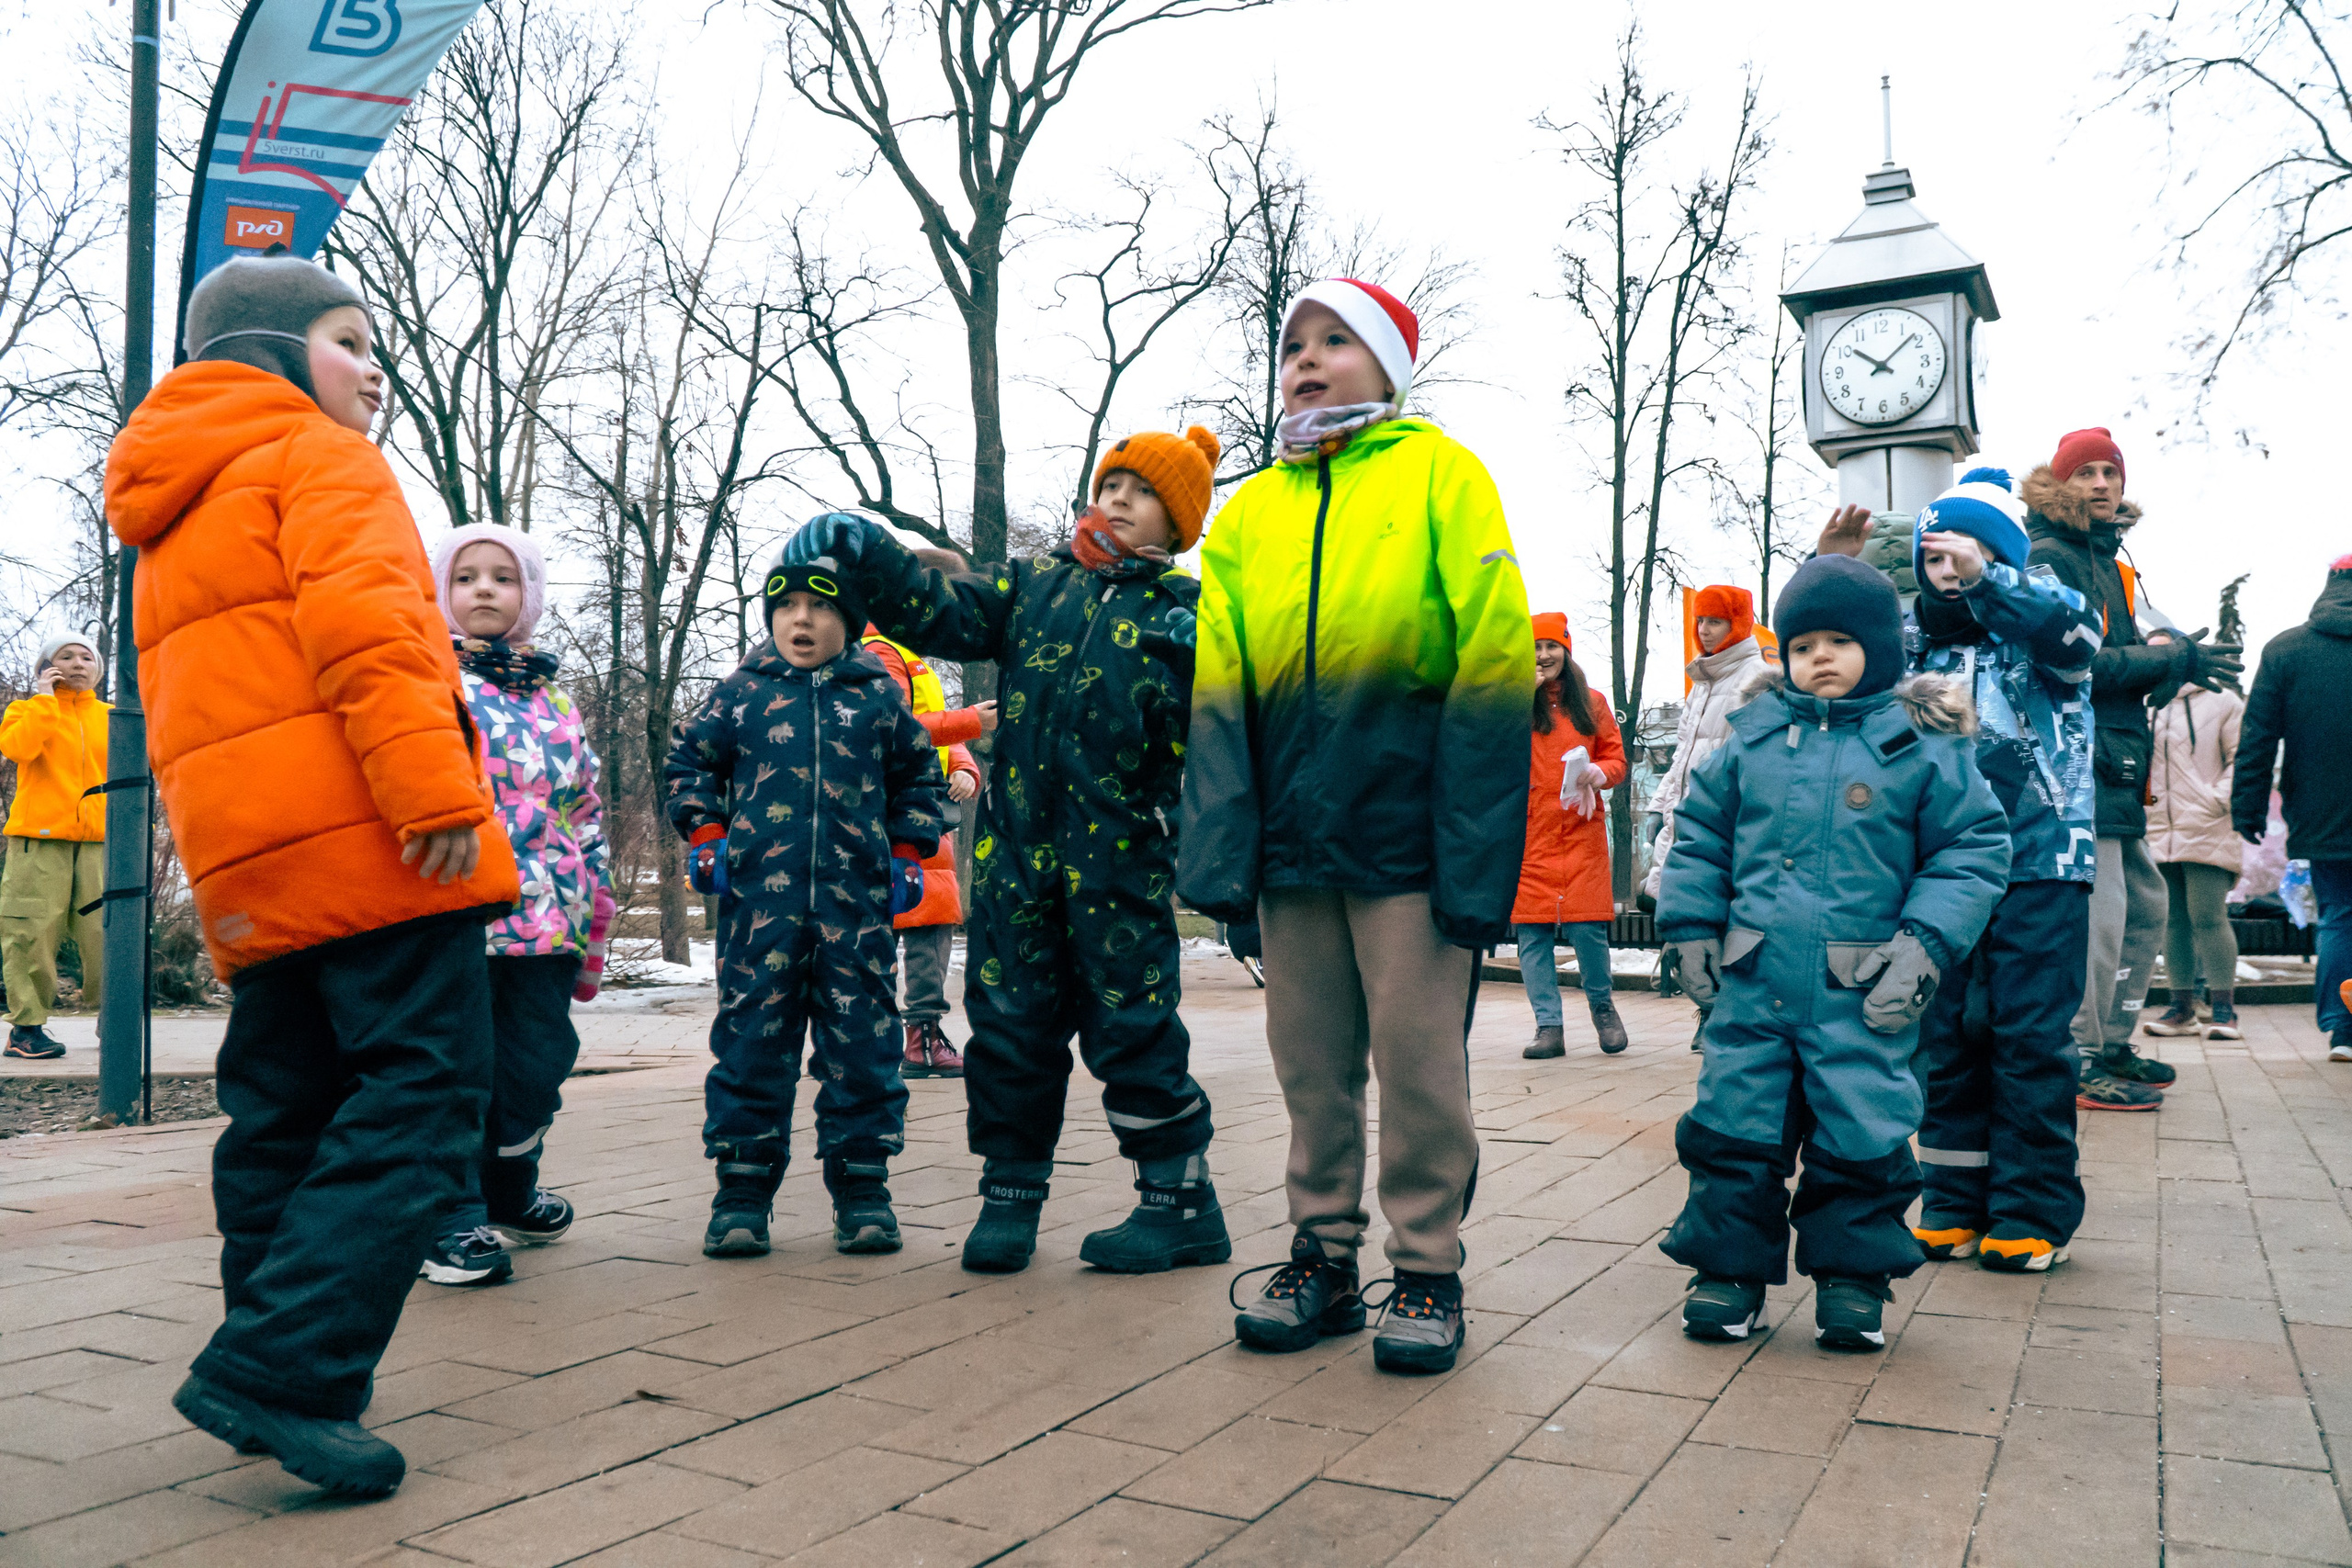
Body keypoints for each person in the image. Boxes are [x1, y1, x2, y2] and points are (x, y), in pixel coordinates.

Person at [107, 254, 521, 1499]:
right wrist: (436, 792)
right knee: (429, 1086)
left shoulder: (169, 506)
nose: (376, 370)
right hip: (375, 843)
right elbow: (372, 633)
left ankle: (273, 1359)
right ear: (279, 355)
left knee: (283, 1104)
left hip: (253, 865)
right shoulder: (319, 456)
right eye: (351, 340)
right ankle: (287, 1367)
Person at [1181, 277, 1533, 1376]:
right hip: (1291, 848)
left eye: (1337, 340)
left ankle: (1425, 1269)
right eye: (1294, 343)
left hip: (1408, 843)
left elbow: (1491, 666)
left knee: (1420, 1064)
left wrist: (1477, 851)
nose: (1309, 357)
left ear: (1388, 364)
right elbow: (1218, 693)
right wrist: (1222, 850)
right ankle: (1321, 1260)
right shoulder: (1247, 516)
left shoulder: (1442, 479)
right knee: (1309, 1066)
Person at [777, 425, 1227, 1279]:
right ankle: (1010, 1191)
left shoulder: (1185, 615)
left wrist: (1214, 852)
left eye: (1144, 490)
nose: (1119, 498)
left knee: (1134, 1027)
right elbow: (941, 612)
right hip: (1021, 863)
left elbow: (1215, 746)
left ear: (1180, 518)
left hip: (1123, 867)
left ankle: (1180, 1198)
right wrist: (870, 551)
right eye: (1112, 483)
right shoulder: (1036, 587)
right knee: (1010, 1027)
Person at [1658, 552, 2008, 1350]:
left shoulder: (1921, 745)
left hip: (1864, 988)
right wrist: (1689, 926)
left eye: (1840, 642)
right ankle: (1727, 1272)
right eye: (1804, 641)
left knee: (1864, 1130)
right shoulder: (1750, 740)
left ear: (1881, 650)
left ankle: (1853, 1280)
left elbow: (1971, 849)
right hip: (1750, 984)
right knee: (1734, 1127)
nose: (1820, 656)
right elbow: (1702, 836)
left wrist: (1923, 944)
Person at [666, 556, 946, 1258]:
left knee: (863, 1047)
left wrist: (911, 849)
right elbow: (688, 763)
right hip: (762, 913)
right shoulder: (741, 694)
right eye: (785, 606)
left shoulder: (878, 697)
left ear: (847, 621)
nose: (801, 619)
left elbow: (918, 773)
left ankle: (862, 1187)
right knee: (752, 1042)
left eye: (819, 608)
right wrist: (705, 831)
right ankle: (741, 1190)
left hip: (858, 912)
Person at [1889, 471, 2103, 1274]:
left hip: (2045, 861)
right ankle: (1951, 1201)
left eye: (1966, 557)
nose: (1951, 574)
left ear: (2003, 556)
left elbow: (2077, 641)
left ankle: (2030, 1210)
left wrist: (1991, 582)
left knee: (2026, 1036)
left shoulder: (2049, 622)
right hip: (1946, 872)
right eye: (1936, 560)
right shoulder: (1914, 646)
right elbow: (1839, 659)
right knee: (1950, 1035)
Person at [415, 524, 614, 1288]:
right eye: (467, 578)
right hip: (459, 910)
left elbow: (586, 803)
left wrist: (594, 896)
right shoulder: (432, 677)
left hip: (551, 915)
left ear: (528, 595)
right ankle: (449, 1215)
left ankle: (508, 1187)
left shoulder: (554, 694)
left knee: (537, 1063)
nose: (485, 590)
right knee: (458, 1067)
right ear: (443, 593)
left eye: (503, 577)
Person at [2020, 429, 2240, 1105]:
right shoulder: (2051, 558)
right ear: (2059, 486)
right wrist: (2172, 662)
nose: (2099, 483)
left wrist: (2169, 654)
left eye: (2109, 472)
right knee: (2103, 915)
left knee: (2143, 906)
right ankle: (2081, 1055)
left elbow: (2128, 651)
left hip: (2115, 763)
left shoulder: (2109, 561)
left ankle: (2112, 1040)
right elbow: (2075, 663)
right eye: (2083, 472)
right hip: (2076, 763)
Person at [862, 585, 994, 1080]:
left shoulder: (910, 657)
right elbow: (894, 727)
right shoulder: (879, 654)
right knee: (887, 929)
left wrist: (965, 767)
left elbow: (932, 734)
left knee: (931, 928)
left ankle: (920, 1039)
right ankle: (886, 1040)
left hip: (927, 813)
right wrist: (969, 722)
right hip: (890, 813)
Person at [2232, 553, 2352, 1062]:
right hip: (2325, 812)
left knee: (2340, 916)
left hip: (2324, 814)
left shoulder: (2287, 650)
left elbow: (2258, 738)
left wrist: (2248, 807)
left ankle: (2344, 1031)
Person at [1643, 584, 1770, 1051]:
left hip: (1726, 818)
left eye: (1715, 621)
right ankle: (1709, 1009)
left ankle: (1722, 1014)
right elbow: (1683, 756)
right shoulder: (1703, 682)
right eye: (1700, 620)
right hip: (1691, 813)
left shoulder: (1754, 677)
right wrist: (1659, 806)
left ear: (1737, 623)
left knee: (1727, 917)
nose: (1704, 630)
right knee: (1697, 913)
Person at [1514, 615, 1629, 1058]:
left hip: (1581, 831)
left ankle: (1603, 1008)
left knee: (1588, 930)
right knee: (1532, 935)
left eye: (1552, 646)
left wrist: (1599, 772)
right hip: (1531, 835)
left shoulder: (1593, 703)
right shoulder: (1515, 702)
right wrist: (1518, 694)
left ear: (1566, 649)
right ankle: (1549, 1028)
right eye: (1536, 647)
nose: (1544, 656)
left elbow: (1616, 759)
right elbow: (1489, 746)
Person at [1, 635, 109, 1060]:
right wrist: (45, 698)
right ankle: (26, 1030)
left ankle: (113, 1019)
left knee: (108, 934)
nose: (78, 663)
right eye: (67, 656)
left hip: (102, 845)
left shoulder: (115, 718)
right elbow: (19, 748)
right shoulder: (25, 711)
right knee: (31, 933)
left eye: (87, 657)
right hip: (38, 843)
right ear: (47, 666)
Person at [2142, 626, 2246, 1043]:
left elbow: (2244, 757)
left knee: (2208, 916)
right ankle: (2181, 1007)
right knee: (2172, 921)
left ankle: (2223, 1010)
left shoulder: (2223, 701)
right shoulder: (2143, 703)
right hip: (2155, 829)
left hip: (2206, 825)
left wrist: (2215, 802)